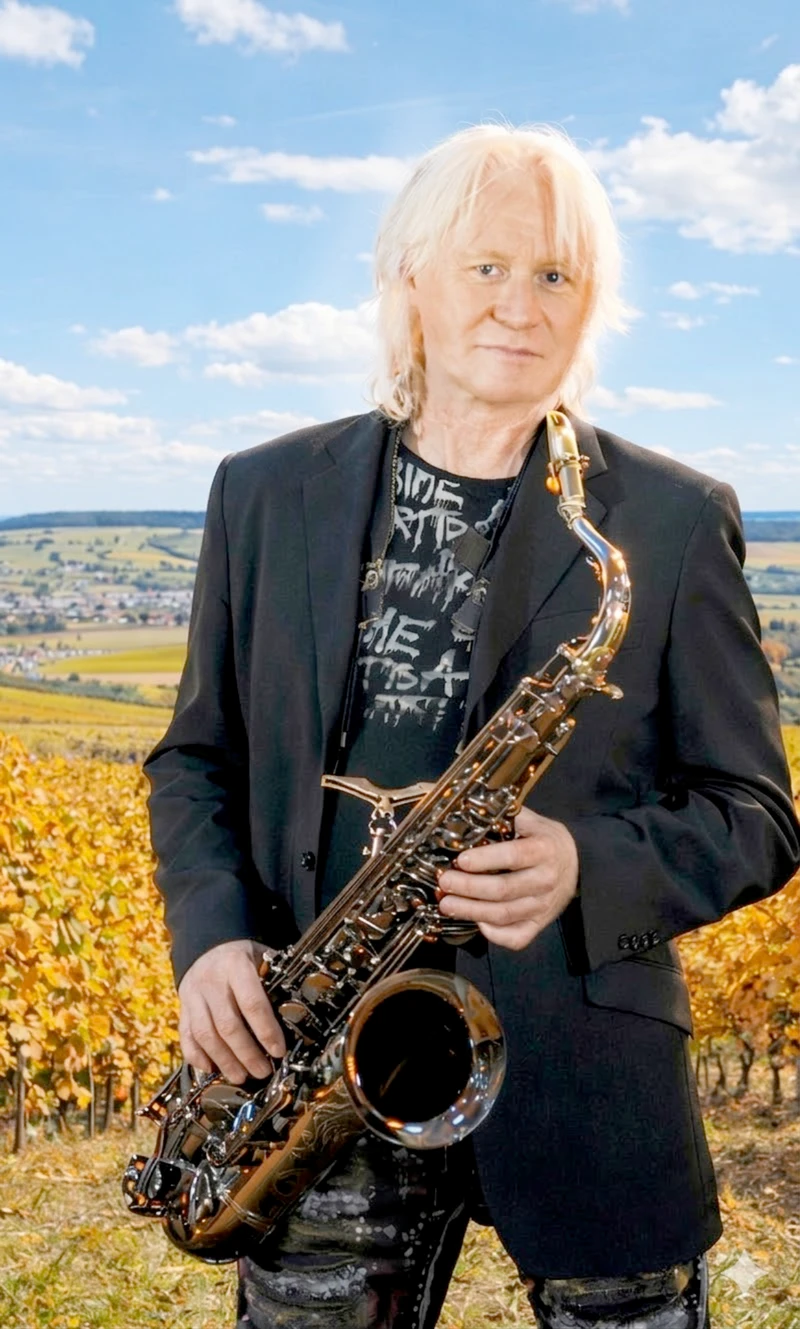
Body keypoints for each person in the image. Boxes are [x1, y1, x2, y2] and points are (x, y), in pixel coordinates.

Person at [143, 123, 800, 1329]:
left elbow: (753, 813)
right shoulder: (260, 490)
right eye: (483, 266)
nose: (518, 305)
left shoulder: (666, 516)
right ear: (409, 281)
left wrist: (584, 865)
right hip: (315, 1057)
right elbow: (197, 754)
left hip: (587, 1076)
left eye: (553, 274)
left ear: (587, 304)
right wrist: (210, 939)